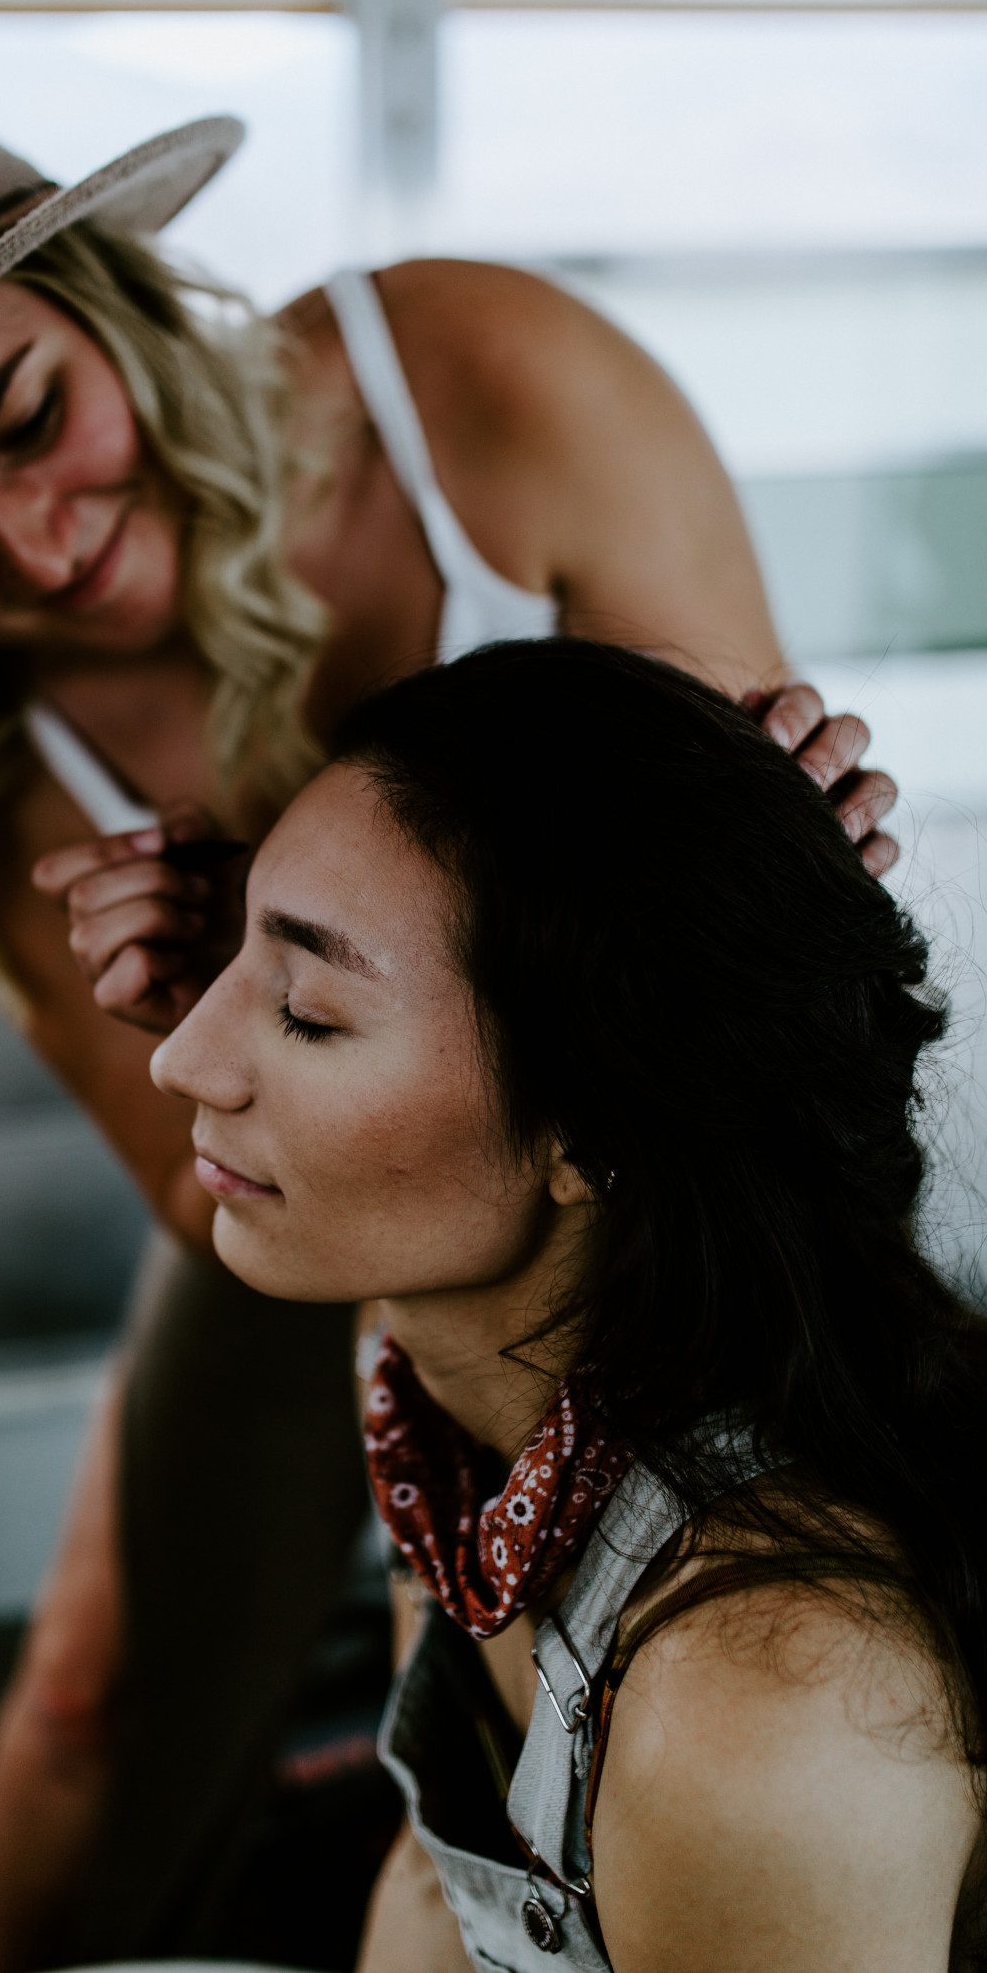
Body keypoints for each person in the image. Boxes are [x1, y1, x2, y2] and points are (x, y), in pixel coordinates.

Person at [0, 34, 900, 1967]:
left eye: (32, 419)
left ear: (107, 301)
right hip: (323, 1162)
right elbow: (234, 1187)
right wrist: (236, 998)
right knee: (89, 1688)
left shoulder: (481, 384)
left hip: (681, 1109)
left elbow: (710, 961)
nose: (32, 546)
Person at [153, 637, 986, 1973]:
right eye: (239, 959)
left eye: (305, 1011)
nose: (178, 1053)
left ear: (594, 1129)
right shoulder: (441, 1378)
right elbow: (438, 1890)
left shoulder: (767, 1718)